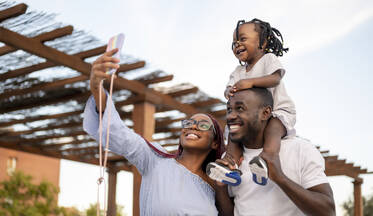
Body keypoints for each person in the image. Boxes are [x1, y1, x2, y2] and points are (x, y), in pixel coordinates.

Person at [83, 49, 226, 216]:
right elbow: (118, 133)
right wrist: (95, 87)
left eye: (202, 125)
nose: (192, 127)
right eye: (188, 123)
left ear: (215, 142)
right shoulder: (156, 161)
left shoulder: (217, 187)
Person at [214, 88, 335, 215]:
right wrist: (220, 188)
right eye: (229, 109)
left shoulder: (300, 149)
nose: (230, 116)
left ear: (265, 113)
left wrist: (279, 177)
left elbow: (328, 211)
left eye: (240, 108)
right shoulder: (229, 159)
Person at [208, 18, 296, 185]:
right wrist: (228, 91)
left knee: (273, 129)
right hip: (250, 120)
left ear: (262, 43)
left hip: (278, 111)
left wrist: (251, 82)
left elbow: (276, 78)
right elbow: (228, 88)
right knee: (234, 133)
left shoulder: (268, 59)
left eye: (242, 39)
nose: (237, 44)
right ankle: (230, 165)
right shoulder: (238, 71)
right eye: (234, 42)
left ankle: (267, 159)